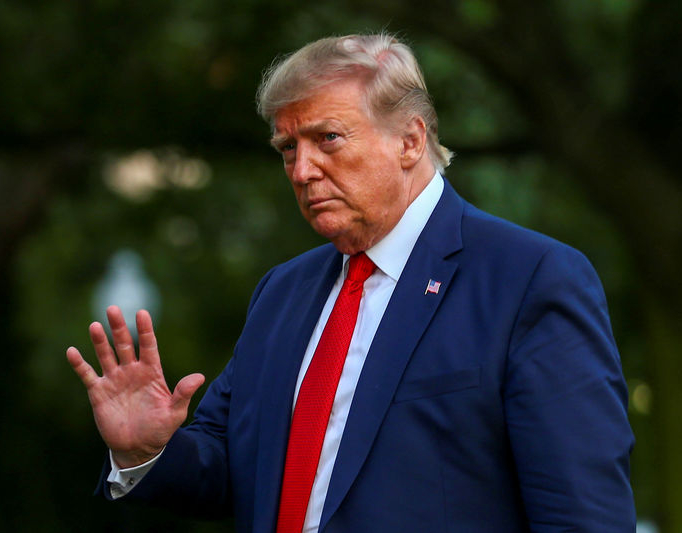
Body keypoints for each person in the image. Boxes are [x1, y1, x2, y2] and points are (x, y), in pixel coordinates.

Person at [67, 33, 636, 532]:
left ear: (411, 141)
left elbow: (582, 514)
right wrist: (147, 450)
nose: (302, 169)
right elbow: (231, 469)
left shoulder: (527, 280)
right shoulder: (283, 293)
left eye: (327, 139)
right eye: (288, 148)